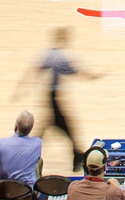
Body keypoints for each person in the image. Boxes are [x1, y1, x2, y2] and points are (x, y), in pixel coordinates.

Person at [34, 27, 101, 173]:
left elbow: (38, 69)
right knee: (65, 127)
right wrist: (92, 76)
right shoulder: (61, 57)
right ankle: (77, 156)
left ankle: (29, 152)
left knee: (51, 125)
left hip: (50, 96)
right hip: (55, 96)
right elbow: (74, 70)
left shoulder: (48, 54)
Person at [0, 111, 41, 187]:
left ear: (16, 126)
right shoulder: (38, 143)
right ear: (31, 128)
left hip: (2, 192)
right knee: (38, 162)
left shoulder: (1, 144)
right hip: (26, 193)